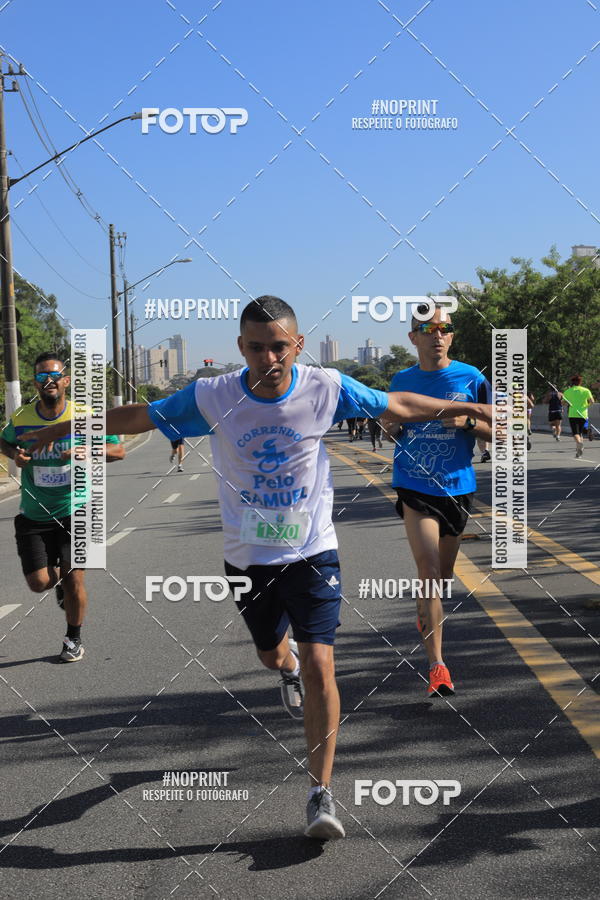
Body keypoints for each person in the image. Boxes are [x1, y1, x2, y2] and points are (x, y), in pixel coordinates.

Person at [26, 296, 493, 840]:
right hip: (248, 558)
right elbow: (141, 416)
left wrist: (480, 410)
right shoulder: (214, 395)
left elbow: (399, 406)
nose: (268, 357)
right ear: (240, 348)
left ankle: (321, 792)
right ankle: (285, 665)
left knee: (323, 663)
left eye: (278, 345)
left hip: (315, 552)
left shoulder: (327, 387)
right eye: (255, 347)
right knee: (275, 655)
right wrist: (67, 428)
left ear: (297, 344)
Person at [381, 303, 492, 699]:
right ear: (413, 338)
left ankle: (426, 617)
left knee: (442, 582)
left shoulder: (471, 377)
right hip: (414, 485)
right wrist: (391, 425)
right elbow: (392, 429)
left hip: (457, 487)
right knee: (427, 573)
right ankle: (437, 667)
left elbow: (504, 431)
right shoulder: (402, 379)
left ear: (452, 336)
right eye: (427, 329)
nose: (437, 335)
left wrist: (465, 421)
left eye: (445, 328)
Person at [0, 352, 125, 662]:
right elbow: (2, 442)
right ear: (36, 383)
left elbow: (118, 450)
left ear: (66, 380)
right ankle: (58, 586)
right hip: (34, 513)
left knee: (74, 578)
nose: (49, 381)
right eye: (42, 376)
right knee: (39, 582)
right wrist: (14, 454)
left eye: (55, 375)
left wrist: (88, 450)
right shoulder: (21, 418)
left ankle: (73, 638)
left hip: (77, 511)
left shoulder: (85, 415)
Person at [562, 375, 594, 458]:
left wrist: (568, 403)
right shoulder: (586, 390)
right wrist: (585, 406)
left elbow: (563, 403)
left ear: (572, 382)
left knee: (576, 433)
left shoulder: (568, 391)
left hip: (573, 414)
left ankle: (579, 444)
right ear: (580, 382)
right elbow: (592, 401)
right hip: (583, 414)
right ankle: (579, 452)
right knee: (580, 433)